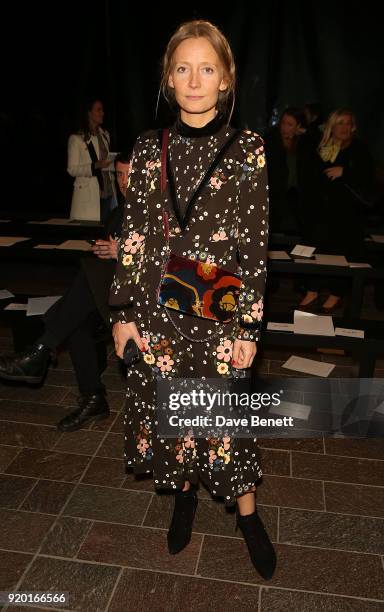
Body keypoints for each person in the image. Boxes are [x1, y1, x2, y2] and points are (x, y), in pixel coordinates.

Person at [109, 20, 276, 580]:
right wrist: (124, 315)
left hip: (217, 308)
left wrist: (247, 330)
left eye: (207, 68)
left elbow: (254, 247)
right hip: (157, 311)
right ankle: (184, 497)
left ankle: (248, 517)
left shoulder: (247, 149)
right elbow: (133, 235)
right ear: (168, 79)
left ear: (225, 80)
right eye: (183, 68)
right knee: (176, 419)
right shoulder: (147, 147)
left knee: (226, 425)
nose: (195, 79)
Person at [0, 153, 131, 431]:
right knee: (77, 321)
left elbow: (167, 263)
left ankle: (40, 350)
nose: (124, 182)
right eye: (119, 175)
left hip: (140, 304)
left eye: (130, 175)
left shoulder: (158, 215)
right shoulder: (118, 215)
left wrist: (121, 253)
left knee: (82, 286)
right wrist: (104, 252)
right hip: (111, 298)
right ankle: (94, 398)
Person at [297, 109, 375, 312]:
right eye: (340, 123)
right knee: (316, 249)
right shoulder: (324, 146)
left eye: (348, 123)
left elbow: (369, 178)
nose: (345, 128)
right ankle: (312, 291)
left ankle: (336, 294)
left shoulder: (359, 149)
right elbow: (311, 176)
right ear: (332, 126)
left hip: (347, 216)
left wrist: (346, 172)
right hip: (321, 214)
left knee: (341, 253)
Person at [67, 98, 117, 223]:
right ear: (89, 113)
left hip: (108, 192)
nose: (102, 113)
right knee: (90, 233)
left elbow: (106, 162)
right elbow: (72, 169)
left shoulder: (105, 135)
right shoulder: (77, 139)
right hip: (89, 194)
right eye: (98, 110)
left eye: (102, 110)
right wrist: (95, 166)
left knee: (106, 233)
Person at [264, 107, 306, 235]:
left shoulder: (303, 142)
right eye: (283, 123)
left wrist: (305, 134)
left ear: (298, 126)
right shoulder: (272, 140)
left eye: (290, 124)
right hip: (276, 197)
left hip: (296, 198)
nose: (285, 127)